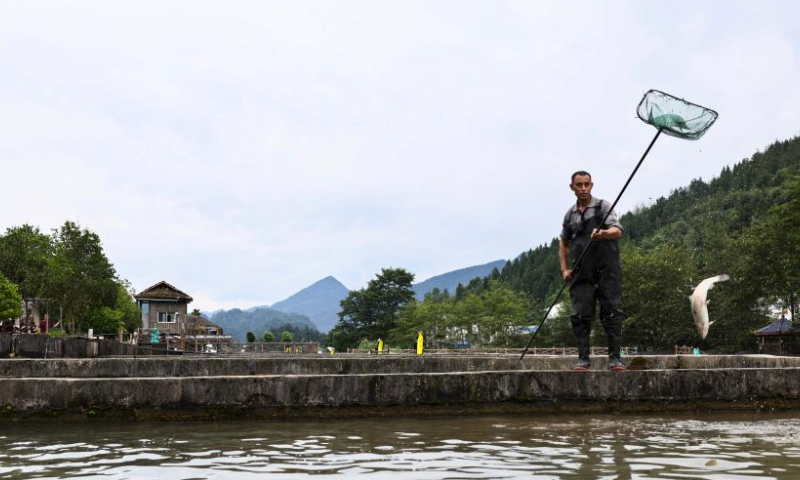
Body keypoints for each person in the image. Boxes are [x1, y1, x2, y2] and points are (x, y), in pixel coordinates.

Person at [559, 171, 625, 371]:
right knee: (580, 316)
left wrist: (604, 233)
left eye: (586, 184)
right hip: (581, 272)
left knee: (612, 313)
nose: (583, 188)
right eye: (579, 185)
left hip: (607, 270)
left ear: (592, 185)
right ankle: (583, 359)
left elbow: (618, 231)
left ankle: (615, 359)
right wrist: (564, 269)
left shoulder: (603, 207)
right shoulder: (570, 214)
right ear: (572, 187)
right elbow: (563, 242)